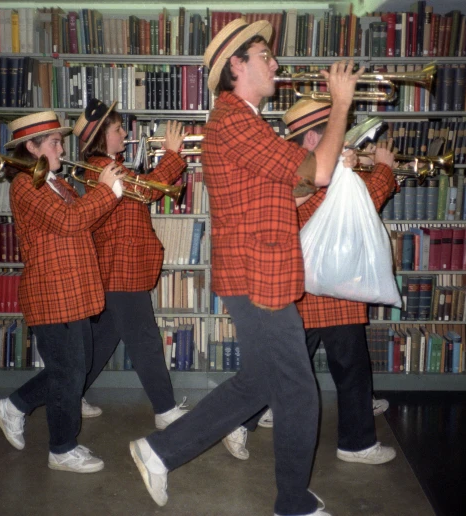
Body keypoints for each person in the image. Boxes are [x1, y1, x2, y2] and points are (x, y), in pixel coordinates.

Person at [128, 18, 360, 516]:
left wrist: (326, 161)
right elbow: (316, 173)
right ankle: (293, 503)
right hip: (261, 275)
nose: (276, 63)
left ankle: (159, 451)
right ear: (237, 64)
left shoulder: (244, 121)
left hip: (255, 271)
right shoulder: (235, 118)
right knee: (298, 392)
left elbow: (296, 184)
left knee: (258, 383)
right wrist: (341, 105)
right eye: (265, 55)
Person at [221, 99, 398, 467]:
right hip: (333, 291)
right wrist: (382, 170)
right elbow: (361, 207)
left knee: (283, 364)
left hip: (306, 290)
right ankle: (356, 444)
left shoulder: (292, 166)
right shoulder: (316, 172)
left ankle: (241, 419)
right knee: (351, 369)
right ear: (316, 137)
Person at [0, 111, 123, 474]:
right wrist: (105, 192)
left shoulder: (54, 182)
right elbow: (69, 221)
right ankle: (61, 449)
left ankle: (13, 406)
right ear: (30, 147)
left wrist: (108, 196)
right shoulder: (26, 185)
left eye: (61, 142)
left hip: (73, 288)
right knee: (69, 373)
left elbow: (81, 220)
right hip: (52, 291)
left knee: (72, 370)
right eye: (54, 143)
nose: (62, 149)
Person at [72, 99, 189, 427]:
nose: (125, 133)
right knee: (145, 339)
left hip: (120, 266)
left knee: (100, 345)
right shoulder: (102, 167)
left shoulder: (109, 163)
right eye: (118, 128)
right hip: (119, 266)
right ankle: (165, 410)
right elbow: (146, 191)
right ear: (100, 136)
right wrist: (173, 154)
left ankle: (28, 402)